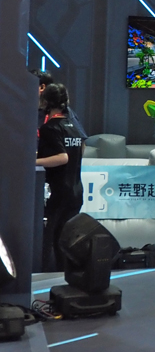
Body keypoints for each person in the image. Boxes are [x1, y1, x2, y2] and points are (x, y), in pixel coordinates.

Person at [37, 83, 85, 271]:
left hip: (59, 193)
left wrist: (33, 161)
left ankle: (50, 277)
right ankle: (66, 276)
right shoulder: (74, 127)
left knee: (51, 240)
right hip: (76, 191)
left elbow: (62, 157)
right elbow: (80, 150)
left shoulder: (50, 128)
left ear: (46, 102)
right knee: (66, 240)